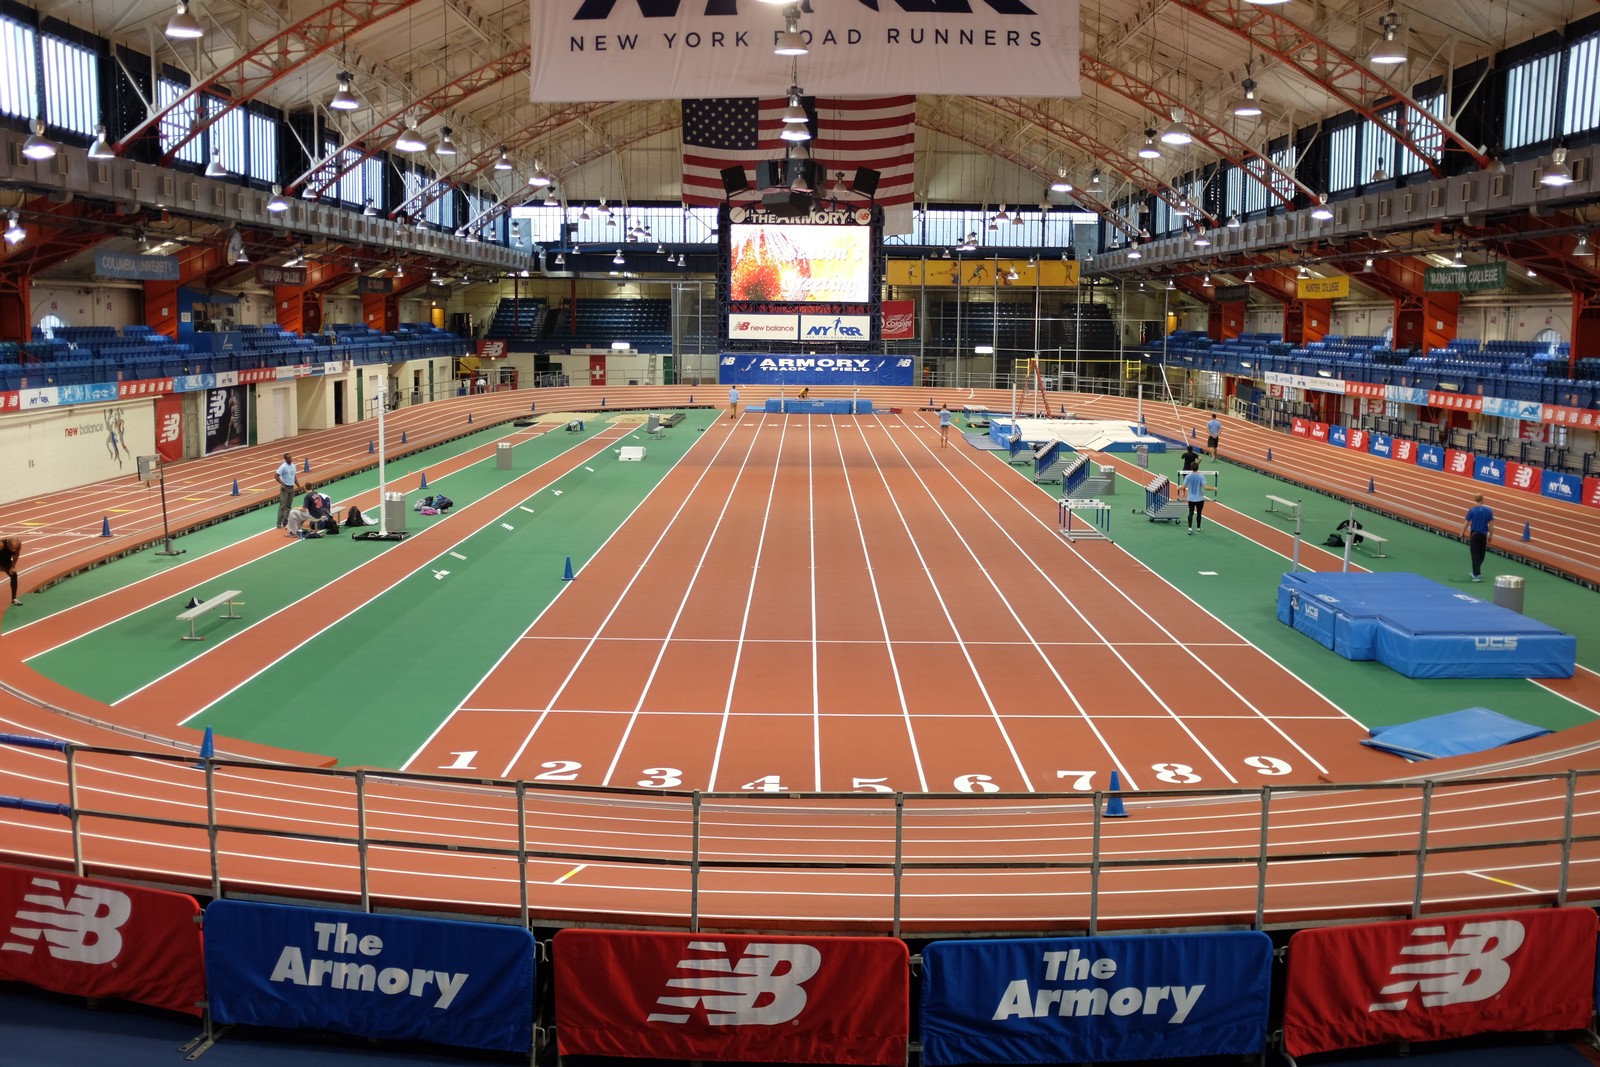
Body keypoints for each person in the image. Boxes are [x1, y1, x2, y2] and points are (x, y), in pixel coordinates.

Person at [1461, 493, 1494, 582]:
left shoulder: (1472, 510)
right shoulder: (1489, 511)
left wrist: (1462, 532)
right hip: (1483, 535)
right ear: (1483, 499)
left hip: (1475, 535)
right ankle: (1477, 574)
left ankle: (1475, 572)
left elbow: (1466, 523)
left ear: (1475, 500)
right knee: (1480, 555)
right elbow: (1491, 525)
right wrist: (1491, 535)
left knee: (1477, 555)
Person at [1182, 468, 1217, 534]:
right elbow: (1206, 488)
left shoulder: (1188, 476)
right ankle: (1198, 528)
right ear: (1198, 468)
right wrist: (1213, 489)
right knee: (1199, 513)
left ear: (1191, 468)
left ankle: (1190, 528)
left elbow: (1183, 487)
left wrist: (1179, 488)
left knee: (1191, 512)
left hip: (1191, 499)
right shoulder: (1201, 476)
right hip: (1199, 499)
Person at [275, 454, 297, 528]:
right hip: (285, 488)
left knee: (288, 506)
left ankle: (285, 521)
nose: (290, 459)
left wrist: (299, 486)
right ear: (285, 459)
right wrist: (282, 483)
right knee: (282, 506)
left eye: (290, 457)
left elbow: (294, 477)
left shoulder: (293, 466)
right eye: (288, 458)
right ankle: (279, 523)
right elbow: (276, 475)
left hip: (291, 488)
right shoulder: (283, 466)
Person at [0, 536, 22, 606]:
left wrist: (12, 566)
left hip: (6, 561)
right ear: (8, 545)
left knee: (14, 575)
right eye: (12, 548)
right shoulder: (1, 545)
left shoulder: (18, 543)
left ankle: (14, 599)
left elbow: (16, 555)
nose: (13, 550)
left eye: (14, 549)